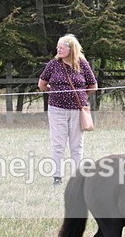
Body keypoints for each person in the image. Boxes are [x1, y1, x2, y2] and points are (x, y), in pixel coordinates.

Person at [38, 34, 98, 185]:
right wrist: (54, 92)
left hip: (77, 110)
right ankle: (57, 177)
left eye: (61, 47)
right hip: (57, 109)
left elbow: (93, 86)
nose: (58, 49)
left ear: (71, 49)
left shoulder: (82, 64)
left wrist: (81, 95)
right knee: (58, 144)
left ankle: (78, 178)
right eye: (57, 47)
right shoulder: (53, 64)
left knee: (77, 145)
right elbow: (42, 84)